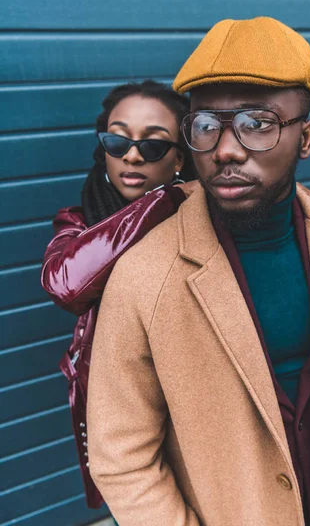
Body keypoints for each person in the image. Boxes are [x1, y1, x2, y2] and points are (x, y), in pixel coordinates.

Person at [87, 18, 310, 526]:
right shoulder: (145, 274)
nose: (227, 149)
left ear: (306, 137)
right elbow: (121, 457)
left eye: (259, 123)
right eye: (208, 125)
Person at [41, 80, 194, 509]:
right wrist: (163, 200)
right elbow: (65, 282)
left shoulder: (206, 221)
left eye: (153, 146)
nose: (131, 154)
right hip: (123, 416)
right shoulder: (78, 222)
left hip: (194, 406)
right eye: (117, 139)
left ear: (180, 156)